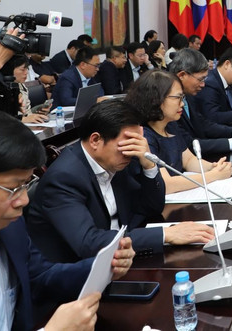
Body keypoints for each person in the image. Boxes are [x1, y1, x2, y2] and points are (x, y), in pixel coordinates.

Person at [0, 108, 135, 331]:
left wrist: (104, 266)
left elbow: (40, 278)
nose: (23, 200)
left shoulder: (8, 226)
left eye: (26, 185)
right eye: (12, 188)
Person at [25, 100, 215, 263]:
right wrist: (166, 235)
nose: (132, 151)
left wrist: (148, 164)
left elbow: (151, 208)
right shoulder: (64, 178)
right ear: (95, 141)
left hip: (120, 257)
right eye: (126, 143)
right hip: (79, 275)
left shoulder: (118, 159)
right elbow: (88, 243)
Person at [124, 70, 232, 193]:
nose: (182, 104)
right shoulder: (144, 135)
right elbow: (166, 184)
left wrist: (213, 167)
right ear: (156, 99)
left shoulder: (170, 124)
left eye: (183, 98)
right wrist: (213, 176)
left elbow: (188, 160)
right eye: (178, 98)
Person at [169, 49, 232, 155]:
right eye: (200, 79)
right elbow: (186, 144)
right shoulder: (166, 102)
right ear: (182, 76)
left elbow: (203, 124)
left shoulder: (187, 95)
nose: (203, 85)